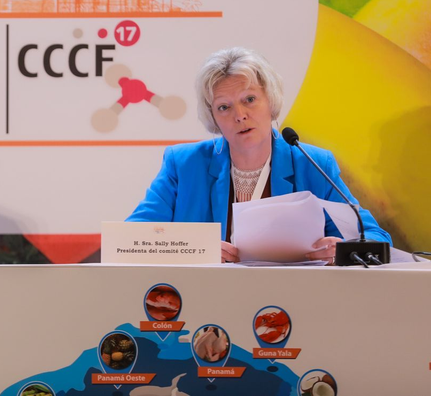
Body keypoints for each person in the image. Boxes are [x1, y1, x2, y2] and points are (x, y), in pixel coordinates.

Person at [126, 47, 391, 263]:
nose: (240, 115)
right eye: (224, 107)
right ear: (213, 117)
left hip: (291, 302)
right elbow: (131, 239)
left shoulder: (312, 164)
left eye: (249, 99)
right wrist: (196, 249)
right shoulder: (184, 164)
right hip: (203, 299)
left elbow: (376, 239)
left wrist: (341, 250)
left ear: (270, 100)